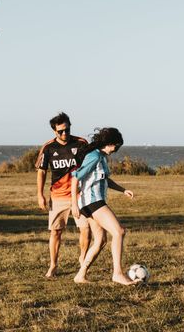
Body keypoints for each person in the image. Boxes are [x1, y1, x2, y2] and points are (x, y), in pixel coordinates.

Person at [71, 127, 139, 285]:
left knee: (100, 240)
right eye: (116, 146)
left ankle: (80, 275)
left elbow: (105, 180)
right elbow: (75, 178)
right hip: (92, 202)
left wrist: (123, 190)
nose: (116, 149)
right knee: (119, 232)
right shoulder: (94, 156)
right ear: (109, 143)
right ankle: (117, 273)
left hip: (92, 202)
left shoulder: (101, 157)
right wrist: (74, 204)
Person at [36, 112, 94, 278]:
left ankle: (82, 259)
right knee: (55, 232)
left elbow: (91, 164)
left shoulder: (81, 143)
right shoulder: (48, 148)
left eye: (67, 130)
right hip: (58, 196)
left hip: (80, 195)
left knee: (86, 229)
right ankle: (53, 266)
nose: (64, 133)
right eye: (60, 131)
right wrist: (40, 195)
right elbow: (41, 172)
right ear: (54, 131)